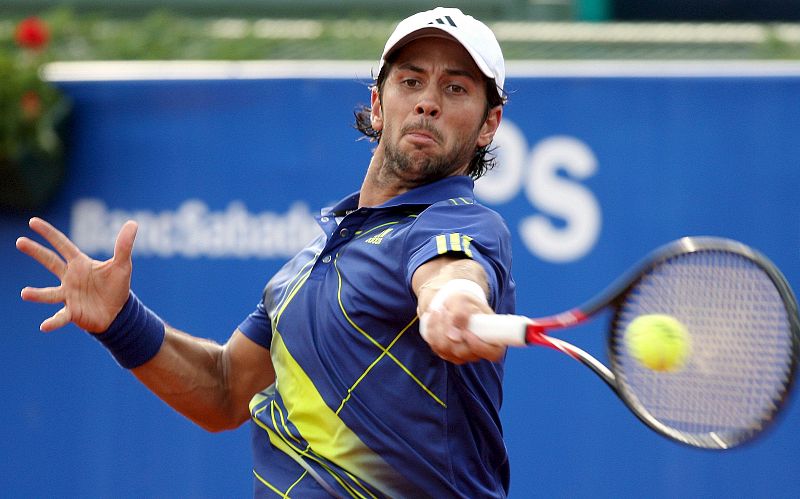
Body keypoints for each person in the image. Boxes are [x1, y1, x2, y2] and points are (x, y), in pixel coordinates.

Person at [16, 7, 515, 498]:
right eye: (410, 81)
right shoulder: (309, 265)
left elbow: (450, 274)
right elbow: (224, 389)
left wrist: (452, 303)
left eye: (455, 88)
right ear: (378, 104)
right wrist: (120, 321)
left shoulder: (459, 223)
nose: (428, 102)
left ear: (489, 124)